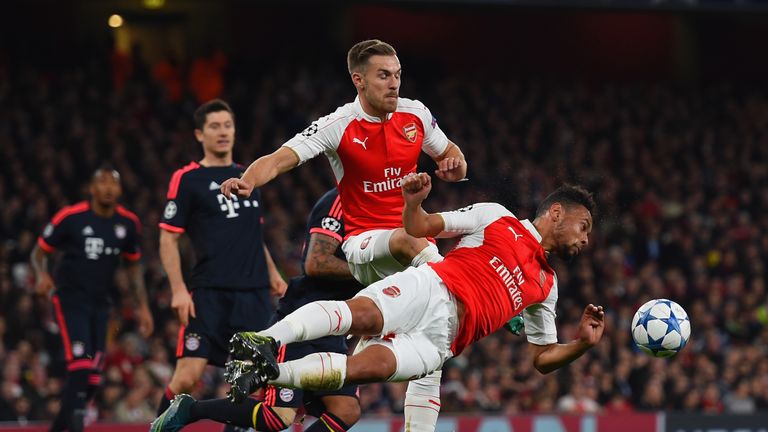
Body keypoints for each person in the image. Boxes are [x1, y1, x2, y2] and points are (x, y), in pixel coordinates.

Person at [220, 39, 467, 431]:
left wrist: (455, 165)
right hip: (366, 247)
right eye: (383, 76)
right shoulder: (340, 125)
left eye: (397, 75)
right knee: (420, 251)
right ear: (359, 80)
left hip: (411, 263)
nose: (394, 84)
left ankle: (273, 369)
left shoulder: (415, 115)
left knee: (435, 348)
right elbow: (282, 157)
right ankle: (467, 291)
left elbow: (450, 152)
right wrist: (249, 181)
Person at [224, 173, 605, 404]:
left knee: (365, 369)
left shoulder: (547, 285)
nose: (586, 239)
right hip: (433, 287)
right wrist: (412, 203)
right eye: (584, 225)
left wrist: (581, 345)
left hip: (442, 342)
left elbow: (542, 358)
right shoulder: (496, 217)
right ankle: (265, 340)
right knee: (364, 317)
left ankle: (266, 373)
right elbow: (421, 226)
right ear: (556, 212)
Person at [151, 189, 364, 432]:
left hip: (335, 327)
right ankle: (191, 409)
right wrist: (370, 271)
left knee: (346, 409)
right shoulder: (340, 201)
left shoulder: (383, 211)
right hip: (303, 321)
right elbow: (315, 263)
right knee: (277, 418)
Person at [156, 99, 287, 421]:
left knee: (254, 383)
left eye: (227, 125)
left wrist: (274, 275)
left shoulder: (248, 176)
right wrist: (177, 289)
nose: (223, 132)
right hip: (209, 293)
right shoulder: (188, 178)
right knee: (187, 376)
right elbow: (168, 237)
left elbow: (254, 235)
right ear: (200, 134)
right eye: (214, 126)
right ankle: (159, 427)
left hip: (254, 294)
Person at [30, 165, 154, 432]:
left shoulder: (127, 224)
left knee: (93, 380)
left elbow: (133, 267)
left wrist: (143, 306)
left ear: (120, 190)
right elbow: (39, 252)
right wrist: (41, 275)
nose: (109, 188)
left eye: (114, 183)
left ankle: (58, 428)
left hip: (101, 305)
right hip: (70, 300)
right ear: (92, 188)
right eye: (103, 183)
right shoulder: (71, 217)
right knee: (81, 366)